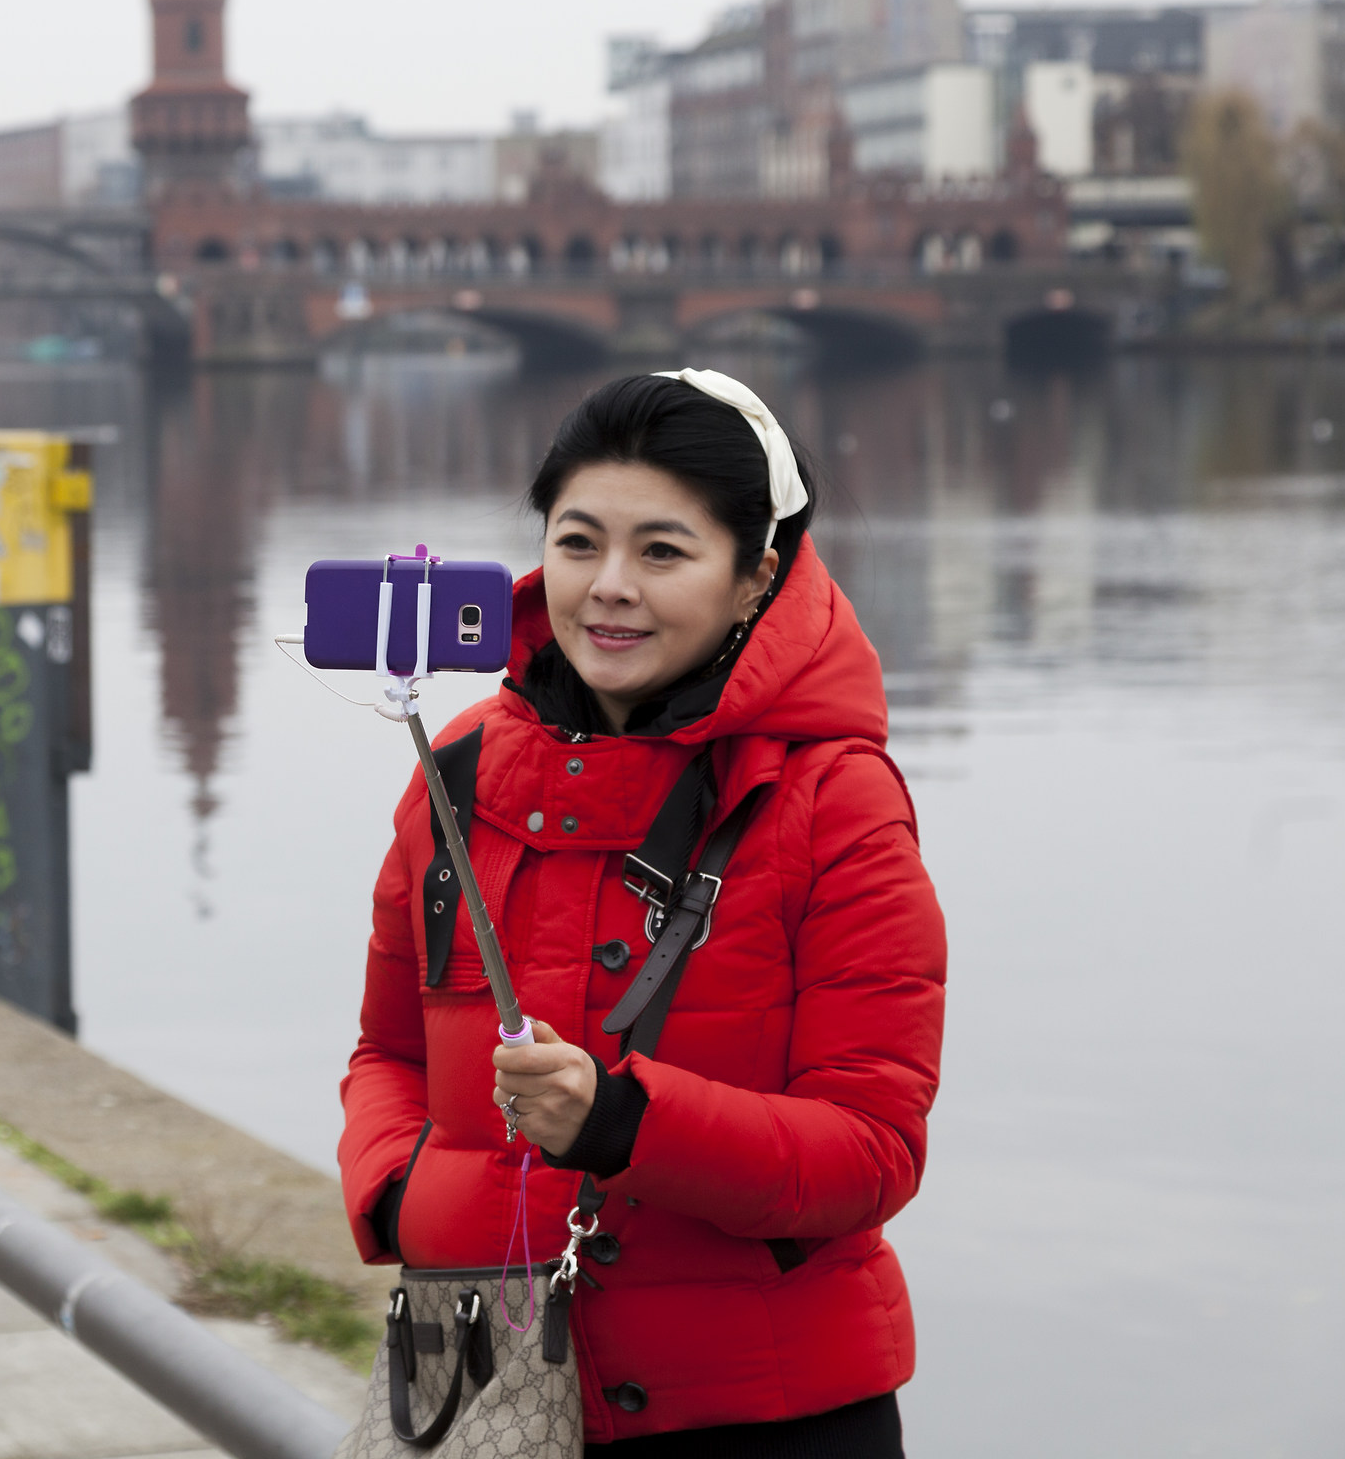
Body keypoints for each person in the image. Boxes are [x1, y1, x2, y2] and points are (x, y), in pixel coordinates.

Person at [339, 371, 946, 1455]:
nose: (608, 586)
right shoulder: (459, 771)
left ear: (757, 573)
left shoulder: (831, 800)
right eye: (578, 542)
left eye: (662, 552)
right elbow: (388, 1050)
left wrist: (622, 1124)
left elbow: (872, 1149)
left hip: (765, 1416)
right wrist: (400, 1196)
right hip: (482, 1382)